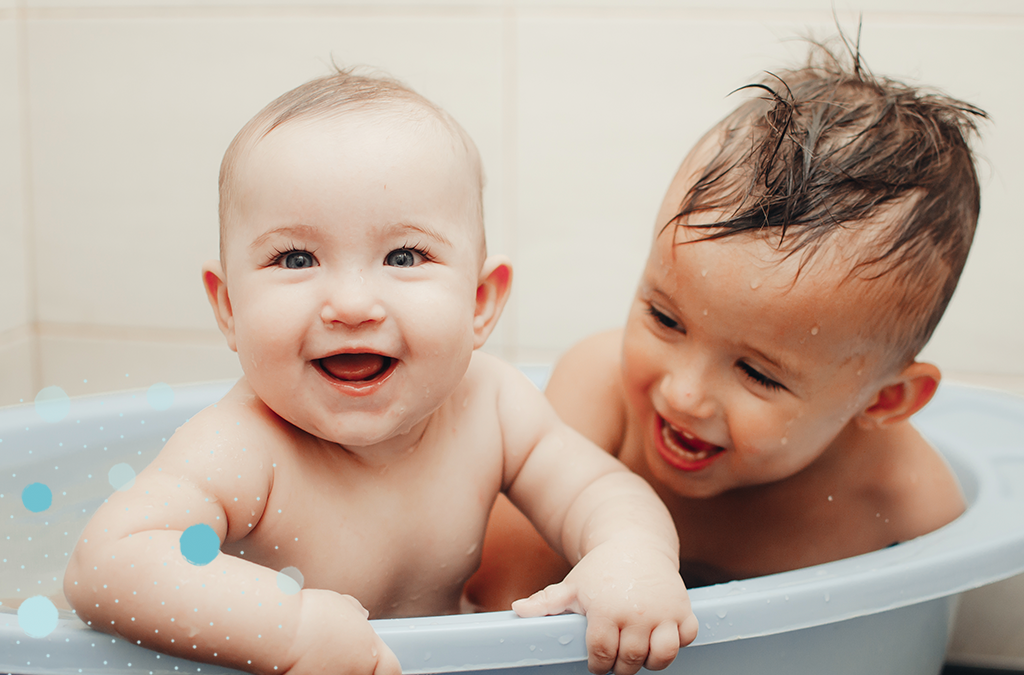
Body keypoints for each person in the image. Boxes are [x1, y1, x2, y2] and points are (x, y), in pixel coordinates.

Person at [62, 69, 698, 675]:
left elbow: (600, 492)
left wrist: (631, 557)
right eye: (295, 257)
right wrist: (285, 629)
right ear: (229, 307)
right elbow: (106, 562)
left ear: (479, 304)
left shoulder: (493, 406)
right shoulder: (243, 447)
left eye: (403, 255)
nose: (352, 305)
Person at [464, 45, 985, 610]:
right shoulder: (598, 394)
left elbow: (913, 626)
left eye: (758, 374)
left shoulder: (903, 495)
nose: (684, 394)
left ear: (884, 400)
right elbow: (504, 597)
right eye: (665, 318)